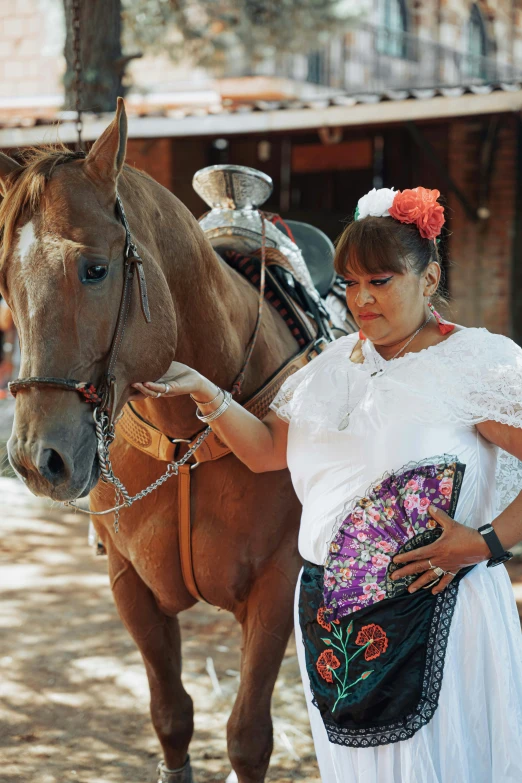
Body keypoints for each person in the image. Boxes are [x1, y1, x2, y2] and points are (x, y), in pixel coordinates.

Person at [132, 186, 522, 783]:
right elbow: (265, 452)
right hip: (333, 621)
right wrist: (205, 392)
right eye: (350, 283)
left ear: (430, 276)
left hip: (441, 616)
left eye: (381, 281)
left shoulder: (473, 365)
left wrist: (487, 542)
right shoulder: (330, 368)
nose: (362, 299)